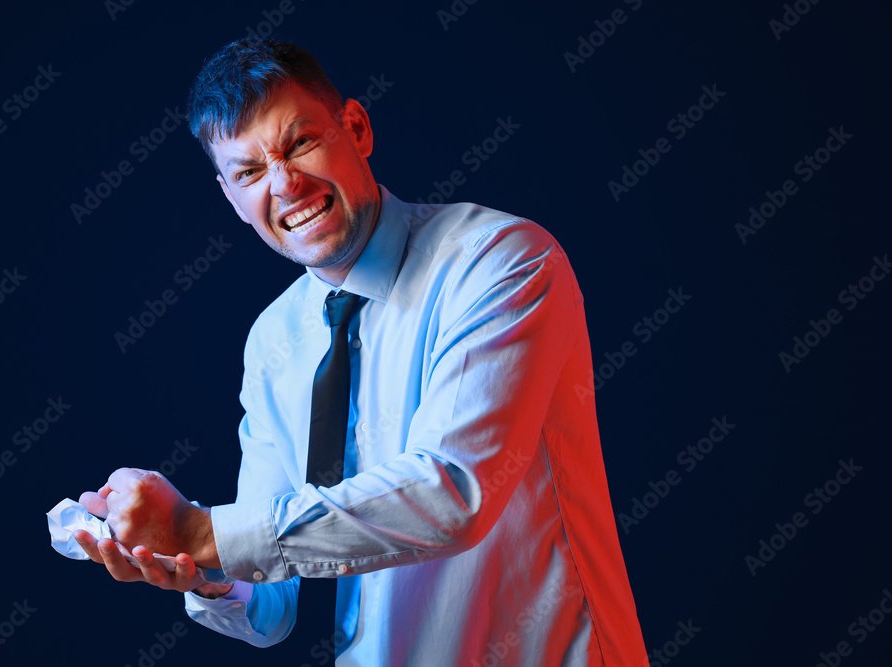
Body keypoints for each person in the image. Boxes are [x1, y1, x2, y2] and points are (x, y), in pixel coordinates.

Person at [73, 37, 648, 666]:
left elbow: (453, 493)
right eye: (249, 171)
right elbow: (268, 606)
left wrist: (202, 531)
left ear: (357, 128)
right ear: (231, 198)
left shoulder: (501, 260)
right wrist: (196, 567)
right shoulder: (273, 339)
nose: (285, 183)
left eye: (300, 143)